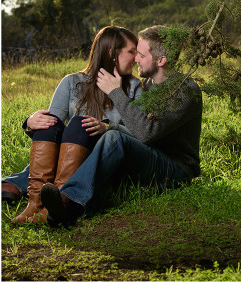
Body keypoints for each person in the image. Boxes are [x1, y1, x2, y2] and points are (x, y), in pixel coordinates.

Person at [40, 25, 203, 227]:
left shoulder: (185, 90)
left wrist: (115, 92)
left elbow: (144, 133)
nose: (135, 59)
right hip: (149, 156)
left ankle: (69, 204)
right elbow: (137, 131)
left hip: (176, 169)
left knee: (113, 137)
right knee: (91, 144)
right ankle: (26, 187)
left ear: (161, 60)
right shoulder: (150, 86)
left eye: (141, 55)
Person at [1, 26, 143, 224]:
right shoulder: (72, 82)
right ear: (112, 53)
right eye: (132, 51)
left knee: (78, 123)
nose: (136, 58)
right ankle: (35, 203)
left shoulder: (135, 87)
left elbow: (140, 134)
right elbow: (52, 130)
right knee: (50, 123)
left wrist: (106, 126)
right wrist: (31, 122)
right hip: (71, 152)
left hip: (104, 160)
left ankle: (56, 198)